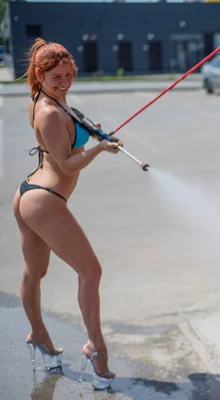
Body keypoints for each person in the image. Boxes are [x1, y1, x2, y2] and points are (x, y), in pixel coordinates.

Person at [12, 38, 120, 389]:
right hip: (45, 200)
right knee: (91, 271)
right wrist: (99, 148)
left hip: (30, 193)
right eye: (56, 76)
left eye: (69, 74)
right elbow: (68, 164)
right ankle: (96, 348)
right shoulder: (48, 111)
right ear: (40, 75)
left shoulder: (48, 100)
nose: (64, 82)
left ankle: (38, 335)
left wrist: (89, 131)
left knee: (35, 271)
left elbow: (65, 139)